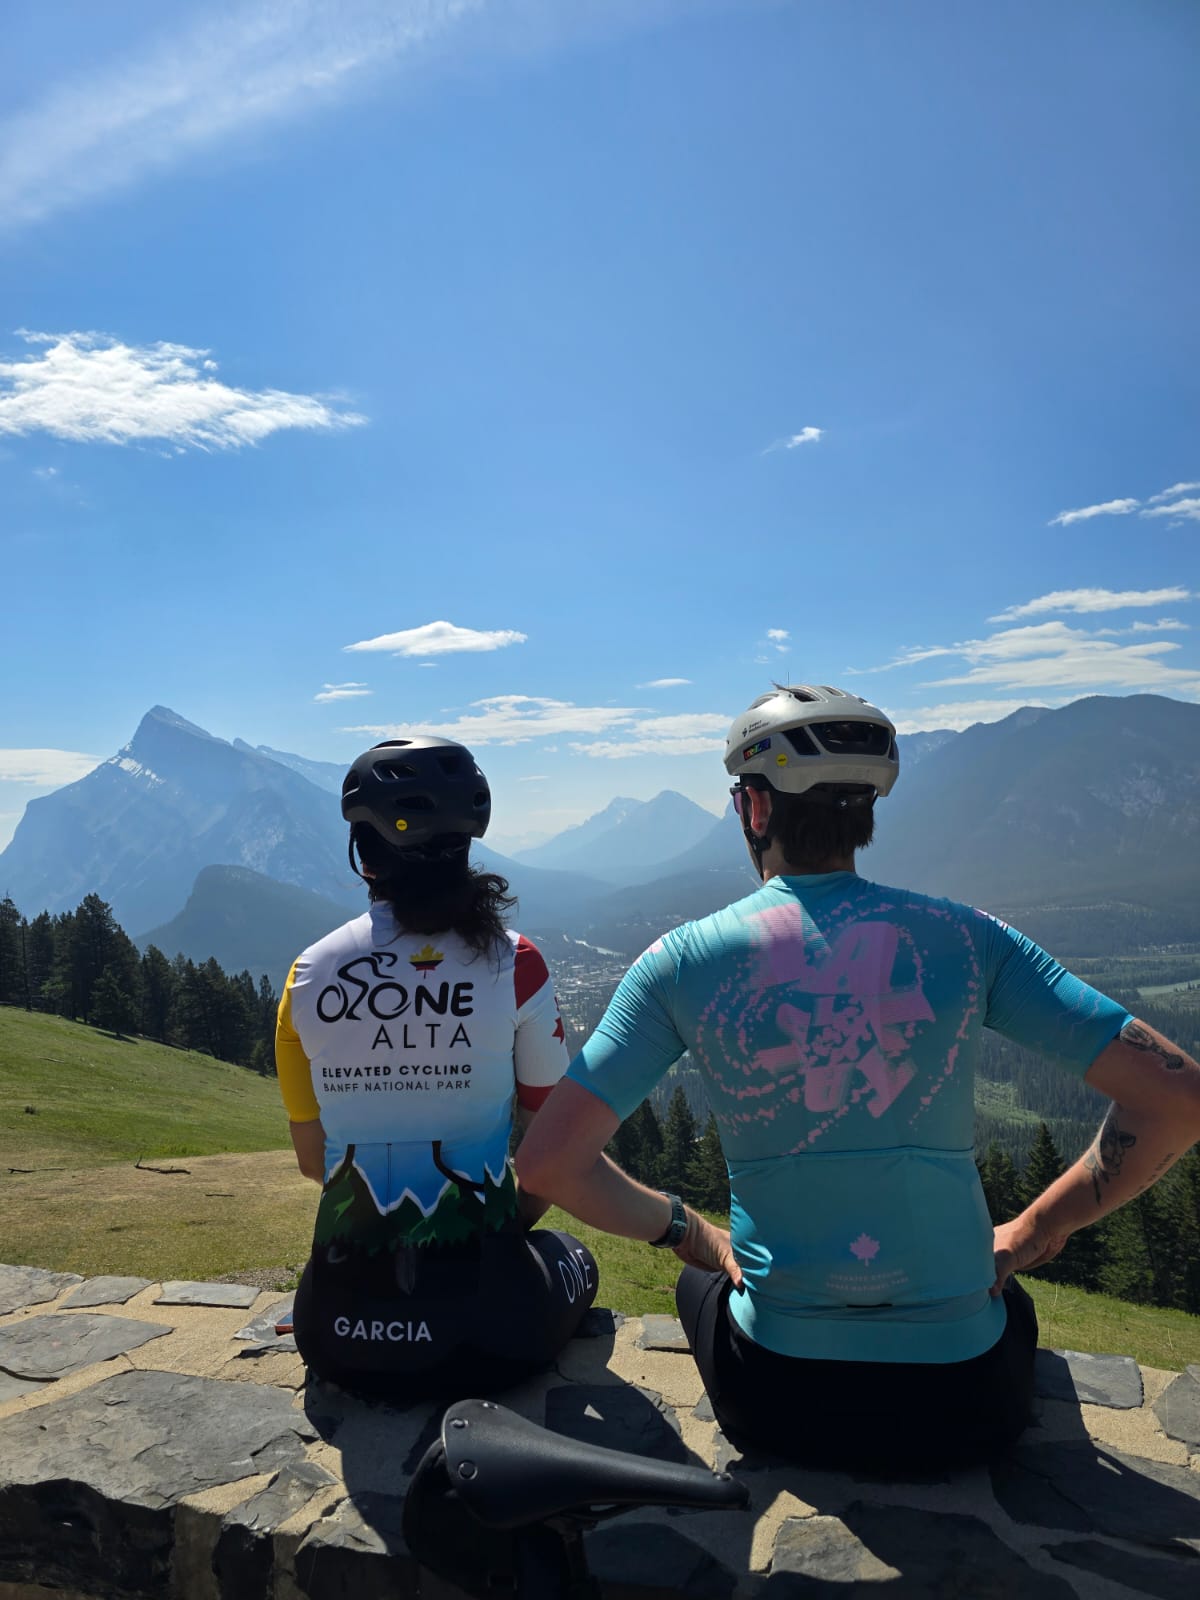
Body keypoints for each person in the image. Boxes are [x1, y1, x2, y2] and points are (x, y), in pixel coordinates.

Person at [516, 684, 1200, 1472]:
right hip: (969, 1405)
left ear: (754, 809)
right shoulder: (970, 938)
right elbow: (1178, 1100)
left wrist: (689, 1231)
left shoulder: (679, 962)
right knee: (1006, 1301)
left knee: (700, 1287)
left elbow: (547, 1163)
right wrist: (1033, 1231)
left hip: (777, 1396)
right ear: (867, 812)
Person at [276, 736, 597, 1400]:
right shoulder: (516, 962)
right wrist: (497, 1229)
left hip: (336, 1336)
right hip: (495, 1338)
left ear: (364, 855)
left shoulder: (306, 975)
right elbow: (550, 1153)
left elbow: (314, 1164)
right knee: (575, 1257)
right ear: (467, 846)